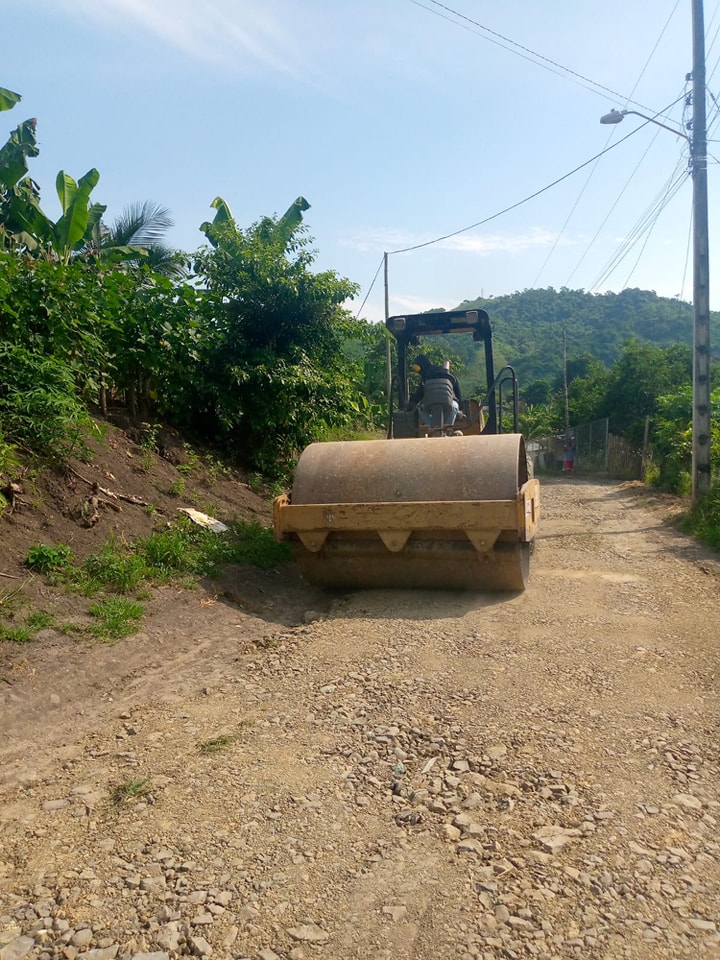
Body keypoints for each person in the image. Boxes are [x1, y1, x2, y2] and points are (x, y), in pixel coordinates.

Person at [407, 354, 462, 425]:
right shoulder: (445, 374)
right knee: (454, 407)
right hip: (450, 404)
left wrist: (412, 403)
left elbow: (418, 395)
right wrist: (460, 404)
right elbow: (456, 386)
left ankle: (433, 427)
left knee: (420, 410)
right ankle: (447, 427)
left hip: (430, 405)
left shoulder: (425, 378)